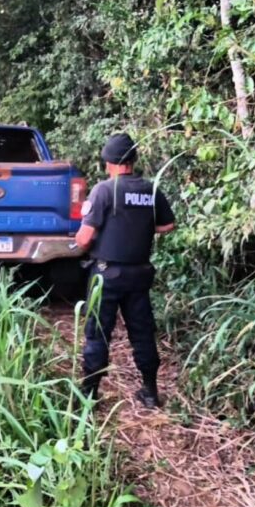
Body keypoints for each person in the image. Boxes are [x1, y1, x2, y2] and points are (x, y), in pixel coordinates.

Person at [75, 132, 175, 408]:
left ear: (108, 161)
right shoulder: (149, 189)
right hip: (139, 275)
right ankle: (151, 392)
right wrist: (140, 226)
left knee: (98, 333)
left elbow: (84, 238)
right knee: (142, 332)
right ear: (133, 160)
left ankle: (90, 394)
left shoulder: (104, 190)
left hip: (107, 275)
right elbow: (167, 225)